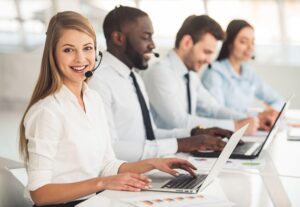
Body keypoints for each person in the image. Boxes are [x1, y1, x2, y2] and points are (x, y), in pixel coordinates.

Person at [18, 11, 198, 207]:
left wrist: (153, 164)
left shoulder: (93, 98)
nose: (81, 58)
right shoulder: (47, 111)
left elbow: (107, 165)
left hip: (95, 200)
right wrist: (102, 183)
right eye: (68, 50)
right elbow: (40, 193)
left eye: (87, 48)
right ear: (52, 54)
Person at [89, 6, 231, 162]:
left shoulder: (134, 77)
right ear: (118, 38)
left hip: (145, 170)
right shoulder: (99, 80)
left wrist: (193, 134)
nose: (152, 45)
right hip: (122, 178)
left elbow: (150, 134)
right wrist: (179, 144)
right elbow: (111, 148)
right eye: (145, 37)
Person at [142, 15, 258, 135]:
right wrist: (234, 126)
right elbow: (179, 121)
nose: (209, 60)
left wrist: (246, 119)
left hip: (188, 147)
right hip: (164, 150)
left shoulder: (190, 75)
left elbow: (213, 108)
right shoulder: (160, 72)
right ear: (187, 43)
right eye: (206, 52)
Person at [201, 19, 283, 129]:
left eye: (252, 42)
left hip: (245, 130)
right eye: (243, 42)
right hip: (224, 134)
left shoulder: (248, 72)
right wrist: (257, 118)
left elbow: (278, 100)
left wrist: (272, 113)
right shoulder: (214, 73)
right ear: (229, 43)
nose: (250, 47)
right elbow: (217, 113)